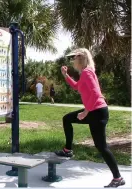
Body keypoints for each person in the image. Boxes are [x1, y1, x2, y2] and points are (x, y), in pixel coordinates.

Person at [55, 48, 125, 188]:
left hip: (97, 112)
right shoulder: (85, 73)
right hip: (94, 110)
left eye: (74, 58)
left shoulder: (87, 72)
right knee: (67, 119)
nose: (72, 60)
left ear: (80, 58)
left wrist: (86, 112)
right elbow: (76, 87)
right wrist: (66, 75)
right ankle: (67, 150)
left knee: (101, 147)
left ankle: (118, 178)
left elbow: (95, 93)